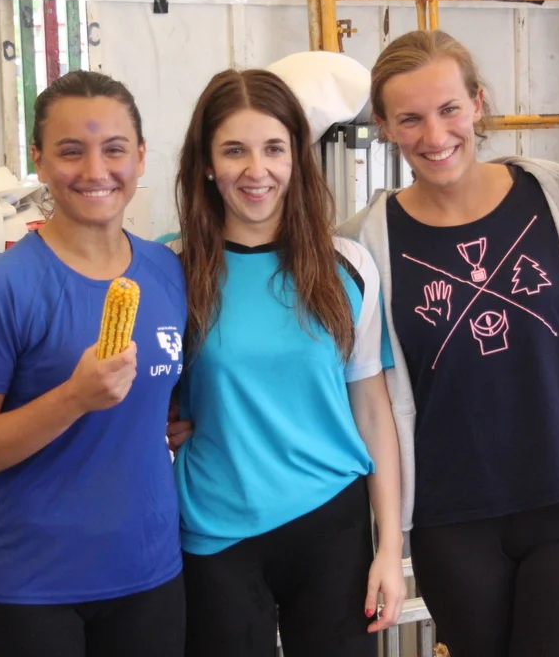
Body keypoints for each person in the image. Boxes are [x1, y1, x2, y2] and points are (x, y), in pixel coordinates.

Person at [339, 29, 559, 657]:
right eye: (410, 119)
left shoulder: (551, 195)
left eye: (449, 110)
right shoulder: (365, 242)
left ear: (478, 104)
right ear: (384, 127)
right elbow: (347, 381)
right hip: (450, 515)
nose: (435, 135)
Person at [0, 70, 187, 657]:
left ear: (141, 156)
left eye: (114, 150)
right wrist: (73, 399)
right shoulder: (0, 291)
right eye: (71, 151)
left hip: (150, 574)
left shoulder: (168, 272)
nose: (96, 171)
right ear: (40, 161)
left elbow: (163, 397)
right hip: (28, 589)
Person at [169, 68, 405, 657]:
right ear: (206, 163)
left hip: (332, 526)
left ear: (297, 157)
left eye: (274, 148)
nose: (257, 170)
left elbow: (372, 412)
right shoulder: (173, 270)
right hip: (215, 528)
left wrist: (389, 548)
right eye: (234, 151)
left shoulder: (347, 265)